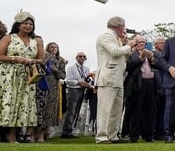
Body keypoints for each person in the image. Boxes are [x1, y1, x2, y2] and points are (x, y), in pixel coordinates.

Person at [0, 11, 44, 143]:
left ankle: (12, 134)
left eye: (30, 24)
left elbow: (41, 59)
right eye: (25, 24)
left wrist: (31, 61)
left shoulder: (36, 41)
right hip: (5, 74)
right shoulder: (9, 38)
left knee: (20, 103)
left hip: (24, 76)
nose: (28, 26)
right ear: (18, 25)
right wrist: (16, 58)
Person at [94, 16, 137, 144]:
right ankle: (101, 137)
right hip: (108, 77)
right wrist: (128, 46)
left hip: (118, 78)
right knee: (105, 109)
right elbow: (114, 52)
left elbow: (122, 55)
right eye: (123, 27)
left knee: (117, 110)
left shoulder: (116, 38)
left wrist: (126, 46)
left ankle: (113, 136)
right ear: (118, 26)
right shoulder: (106, 36)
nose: (124, 30)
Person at [123, 35, 160, 143]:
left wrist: (151, 59)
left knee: (150, 111)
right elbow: (129, 68)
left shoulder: (152, 53)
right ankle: (133, 135)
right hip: (138, 84)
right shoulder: (131, 54)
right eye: (139, 42)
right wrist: (140, 58)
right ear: (135, 43)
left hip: (151, 84)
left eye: (144, 42)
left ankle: (149, 136)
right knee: (136, 111)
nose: (142, 44)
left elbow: (158, 66)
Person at [34, 41, 66, 142]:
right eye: (51, 47)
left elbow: (63, 76)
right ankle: (34, 133)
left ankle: (42, 134)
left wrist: (56, 70)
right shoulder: (43, 58)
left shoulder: (61, 60)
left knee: (50, 111)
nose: (53, 49)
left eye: (55, 47)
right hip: (41, 85)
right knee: (39, 109)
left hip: (53, 88)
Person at [60, 52, 94, 138]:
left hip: (82, 90)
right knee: (71, 111)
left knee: (76, 111)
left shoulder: (86, 68)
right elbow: (68, 80)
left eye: (83, 56)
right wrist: (79, 83)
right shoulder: (71, 68)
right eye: (80, 56)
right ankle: (66, 132)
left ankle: (70, 131)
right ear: (76, 58)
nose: (82, 58)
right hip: (73, 90)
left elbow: (87, 79)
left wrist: (87, 83)